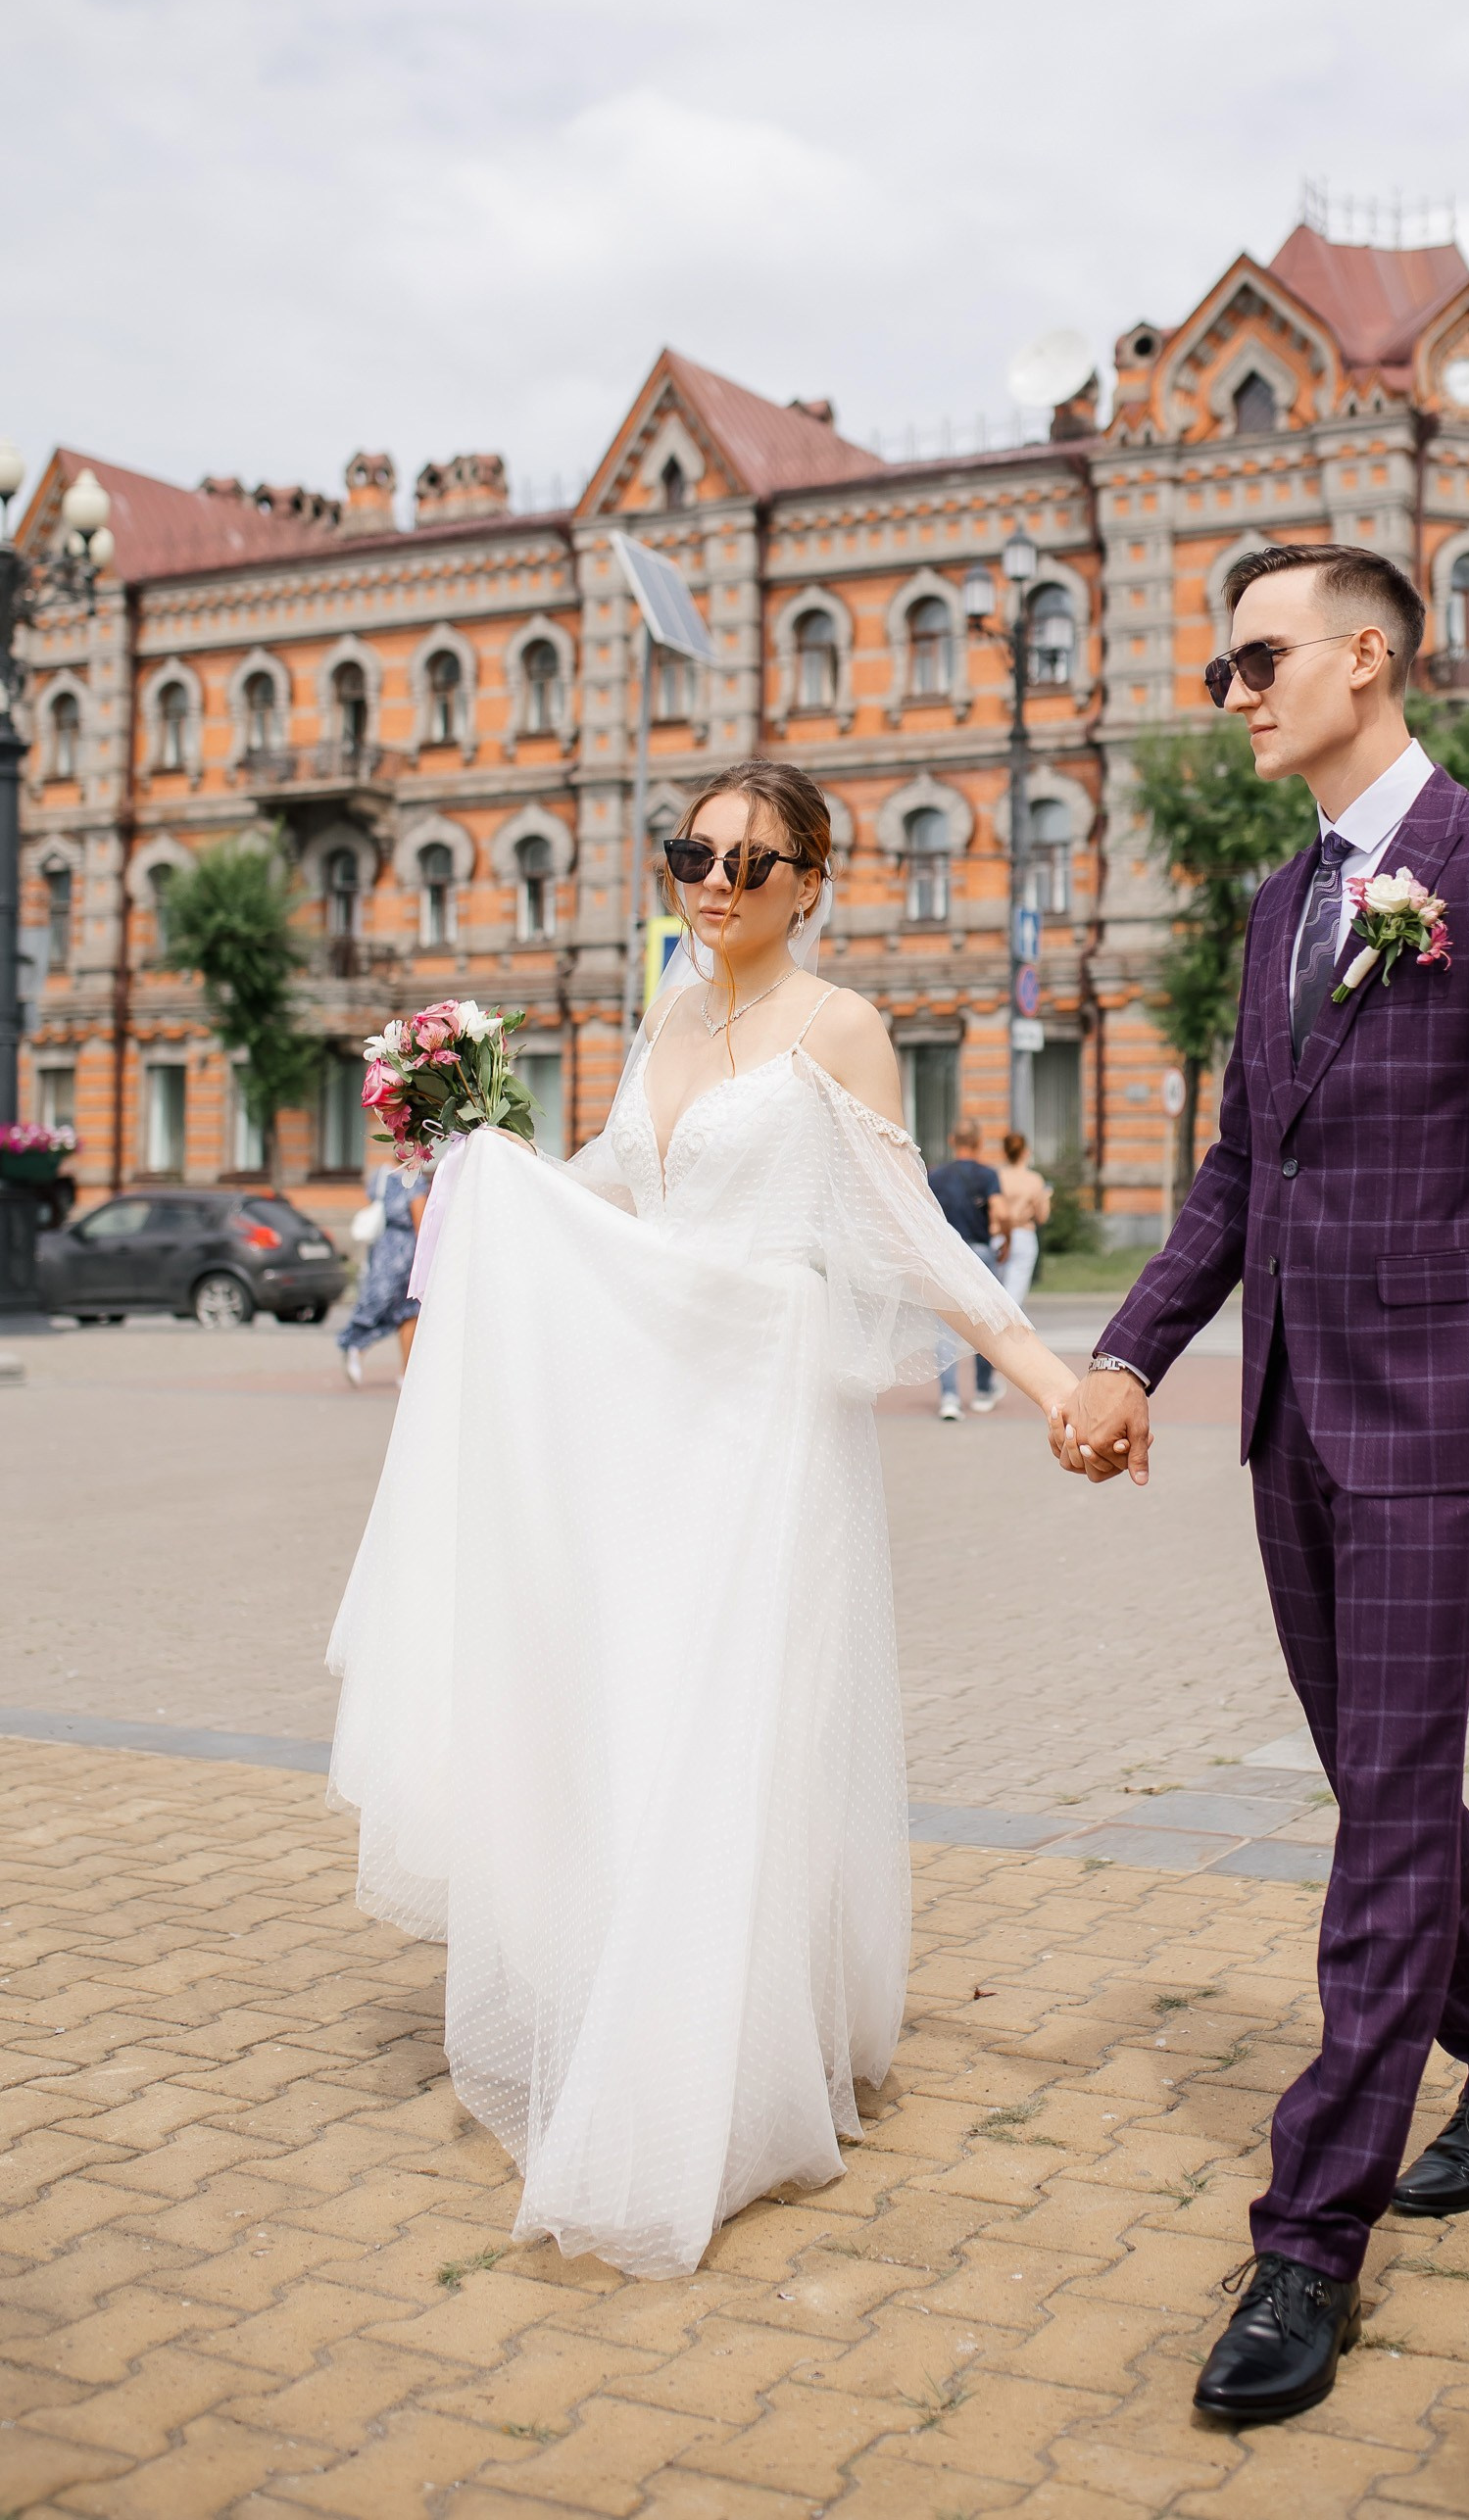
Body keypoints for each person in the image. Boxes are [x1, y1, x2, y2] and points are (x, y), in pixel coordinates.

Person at [1050, 542, 1469, 2429]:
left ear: (1369, 657)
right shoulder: (1278, 907)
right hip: (1292, 1419)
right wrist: (1127, 1356)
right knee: (1385, 1788)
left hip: (1440, 1418)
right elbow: (1232, 1188)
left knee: (1384, 1820)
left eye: (1257, 658)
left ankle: (1311, 2239)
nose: (1234, 690)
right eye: (1219, 665)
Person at [327, 760, 1079, 2280]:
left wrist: (1051, 1374)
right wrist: (488, 1175)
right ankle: (638, 1999)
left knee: (737, 1724)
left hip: (761, 1435)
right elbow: (618, 1186)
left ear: (814, 879)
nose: (716, 878)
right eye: (694, 851)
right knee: (641, 1713)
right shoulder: (669, 1009)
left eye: (753, 857)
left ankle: (715, 2073)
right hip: (647, 1424)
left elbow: (909, 1230)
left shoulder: (841, 1027)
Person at [927, 1120, 1005, 1416]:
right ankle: (983, 1390)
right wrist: (1005, 1237)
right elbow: (998, 1210)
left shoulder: (937, 1176)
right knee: (986, 1324)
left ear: (952, 1140)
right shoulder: (988, 1175)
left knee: (945, 1327)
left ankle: (949, 1397)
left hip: (948, 1255)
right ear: (979, 1142)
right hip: (981, 1254)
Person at [337, 1161, 426, 1385]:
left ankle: (356, 1345)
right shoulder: (414, 1179)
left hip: (381, 1250)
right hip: (406, 1254)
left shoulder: (381, 1176)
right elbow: (421, 1224)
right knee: (409, 1311)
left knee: (379, 1304)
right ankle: (406, 1374)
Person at [992, 1131, 1053, 1308]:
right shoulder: (1034, 1180)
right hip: (1023, 1234)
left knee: (996, 1292)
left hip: (998, 1234)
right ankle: (1009, 1333)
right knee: (1014, 1298)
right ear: (1025, 1152)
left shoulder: (996, 1176)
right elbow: (1042, 1217)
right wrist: (1046, 1198)